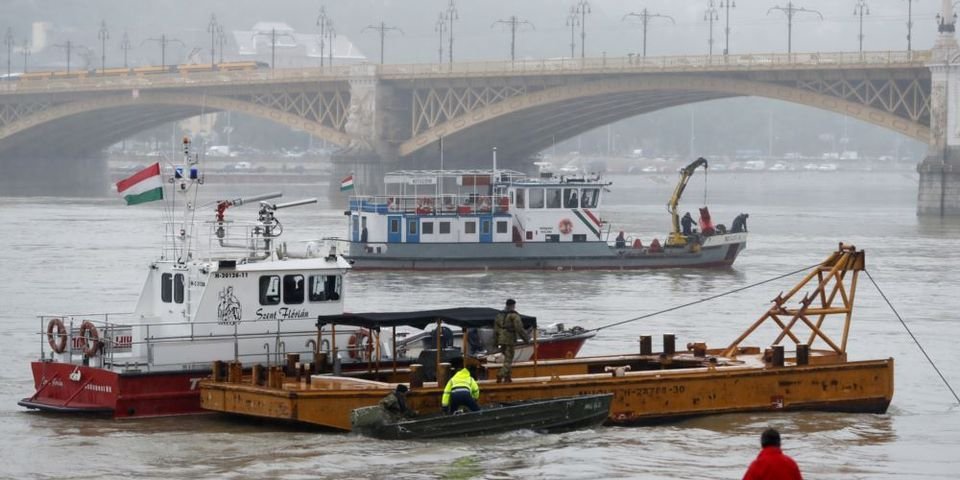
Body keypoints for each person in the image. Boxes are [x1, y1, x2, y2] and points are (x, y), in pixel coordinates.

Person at [494, 299, 530, 383]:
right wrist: (526, 339)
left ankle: (508, 378)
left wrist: (496, 341)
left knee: (507, 358)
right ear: (513, 305)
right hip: (509, 339)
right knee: (509, 359)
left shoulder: (499, 315)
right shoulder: (514, 315)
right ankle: (500, 374)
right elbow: (519, 328)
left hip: (501, 339)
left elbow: (496, 329)